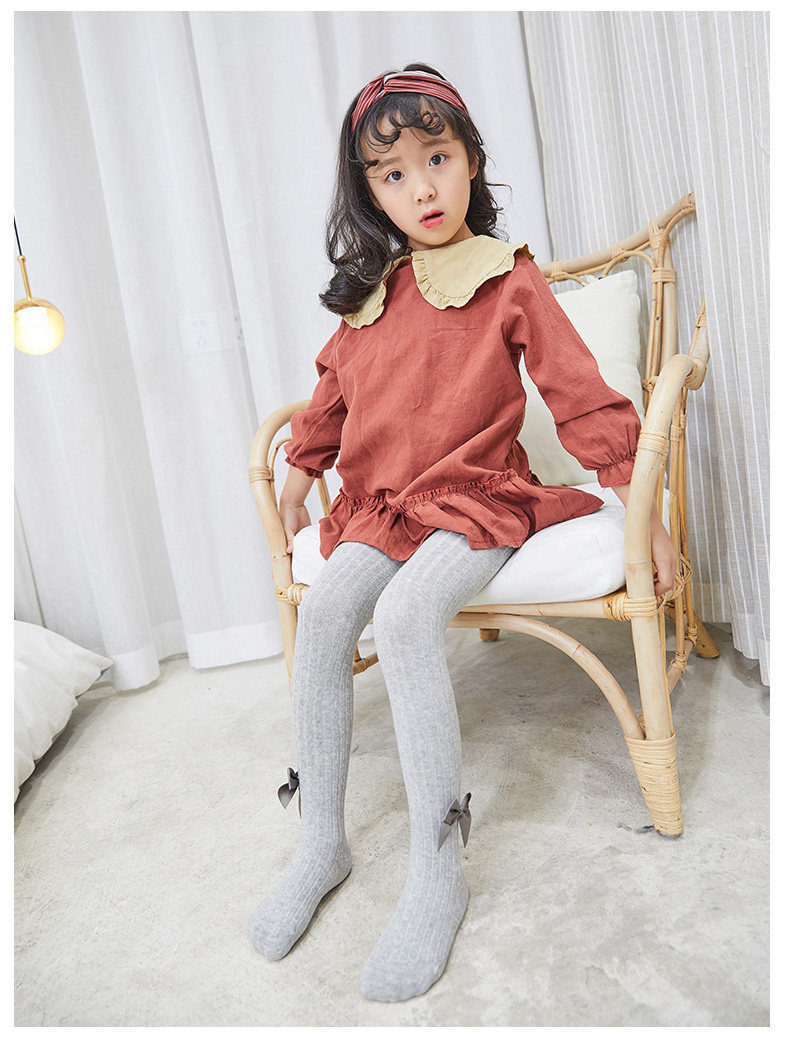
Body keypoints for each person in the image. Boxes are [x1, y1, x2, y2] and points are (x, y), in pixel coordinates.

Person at [248, 63, 678, 1003]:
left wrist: (638, 511)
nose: (422, 188)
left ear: (471, 161)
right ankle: (320, 842)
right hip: (384, 503)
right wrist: (299, 476)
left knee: (407, 620)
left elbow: (579, 394)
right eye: (393, 174)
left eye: (437, 159)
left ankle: (437, 868)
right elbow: (329, 401)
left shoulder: (506, 275)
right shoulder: (371, 295)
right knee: (326, 615)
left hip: (480, 497)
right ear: (370, 192)